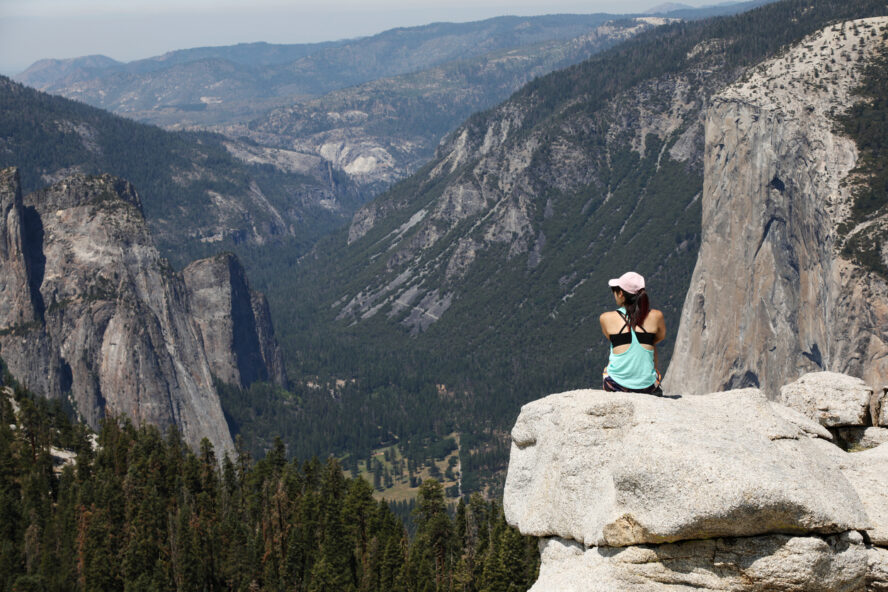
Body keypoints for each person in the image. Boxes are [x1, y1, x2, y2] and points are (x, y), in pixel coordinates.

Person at [599, 271, 666, 395]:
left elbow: (611, 339)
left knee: (612, 358)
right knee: (650, 343)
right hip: (647, 387)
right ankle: (646, 377)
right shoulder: (657, 316)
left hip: (616, 385)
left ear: (620, 294)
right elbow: (660, 336)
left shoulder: (606, 318)